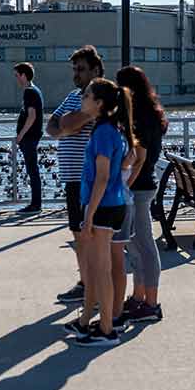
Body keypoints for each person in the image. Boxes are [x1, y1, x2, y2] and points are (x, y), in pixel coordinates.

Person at [66, 77, 136, 347]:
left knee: (102, 269)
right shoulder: (106, 129)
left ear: (99, 103)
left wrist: (89, 215)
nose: (82, 100)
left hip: (104, 206)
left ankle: (107, 329)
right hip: (106, 204)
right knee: (97, 268)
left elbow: (103, 177)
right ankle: (92, 321)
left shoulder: (105, 132)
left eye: (86, 97)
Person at [46, 46, 104, 303]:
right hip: (71, 178)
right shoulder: (73, 95)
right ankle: (85, 282)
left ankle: (96, 287)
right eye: (74, 69)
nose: (76, 74)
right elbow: (51, 126)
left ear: (96, 70)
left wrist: (68, 124)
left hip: (89, 179)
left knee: (91, 234)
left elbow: (67, 124)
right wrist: (69, 124)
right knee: (77, 232)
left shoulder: (100, 98)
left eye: (81, 69)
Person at [117, 65, 168, 323]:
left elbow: (140, 158)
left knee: (144, 245)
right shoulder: (148, 114)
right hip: (143, 185)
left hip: (139, 188)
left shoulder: (140, 118)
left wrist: (123, 187)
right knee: (136, 246)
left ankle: (151, 303)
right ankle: (139, 298)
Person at [13, 62, 44, 213]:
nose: (16, 79)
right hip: (32, 136)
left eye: (17, 75)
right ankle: (36, 203)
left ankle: (35, 205)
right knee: (33, 171)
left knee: (33, 171)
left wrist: (20, 135)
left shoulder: (29, 92)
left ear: (24, 75)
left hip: (29, 138)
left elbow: (32, 116)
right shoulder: (35, 90)